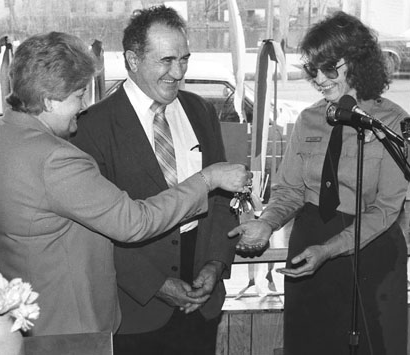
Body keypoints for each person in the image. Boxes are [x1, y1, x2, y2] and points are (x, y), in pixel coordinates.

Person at [0, 31, 251, 337]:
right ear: (49, 101)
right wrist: (206, 180)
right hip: (63, 326)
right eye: (78, 95)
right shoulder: (56, 159)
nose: (83, 106)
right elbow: (134, 221)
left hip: (7, 321)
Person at [229, 11, 409, 355]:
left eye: (329, 68)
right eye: (313, 70)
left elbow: (387, 208)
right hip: (310, 240)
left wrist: (329, 250)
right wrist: (266, 223)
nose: (319, 79)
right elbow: (291, 190)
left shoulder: (393, 123)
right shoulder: (309, 119)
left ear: (357, 62)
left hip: (370, 248)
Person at [71, 6, 238, 354]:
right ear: (132, 59)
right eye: (166, 60)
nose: (178, 72)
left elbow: (222, 199)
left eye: (184, 59)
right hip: (137, 309)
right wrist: (157, 285)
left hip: (201, 303)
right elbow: (95, 231)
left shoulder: (201, 111)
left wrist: (216, 263)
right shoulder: (92, 125)